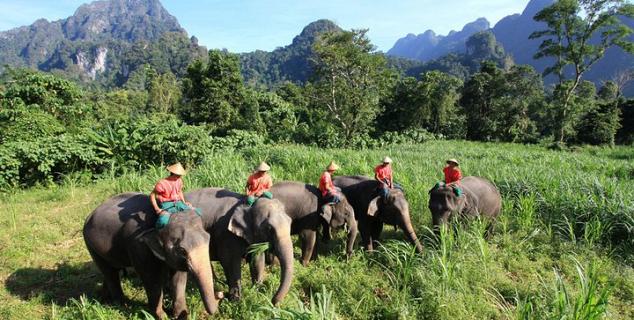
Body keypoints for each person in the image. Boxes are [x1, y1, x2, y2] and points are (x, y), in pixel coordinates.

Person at [150, 162, 199, 229]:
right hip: (167, 204)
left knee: (197, 211)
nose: (180, 176)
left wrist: (184, 202)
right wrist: (157, 209)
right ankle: (157, 230)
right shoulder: (162, 183)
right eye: (179, 175)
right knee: (163, 221)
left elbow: (179, 191)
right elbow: (152, 195)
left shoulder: (179, 181)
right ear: (174, 174)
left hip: (178, 203)